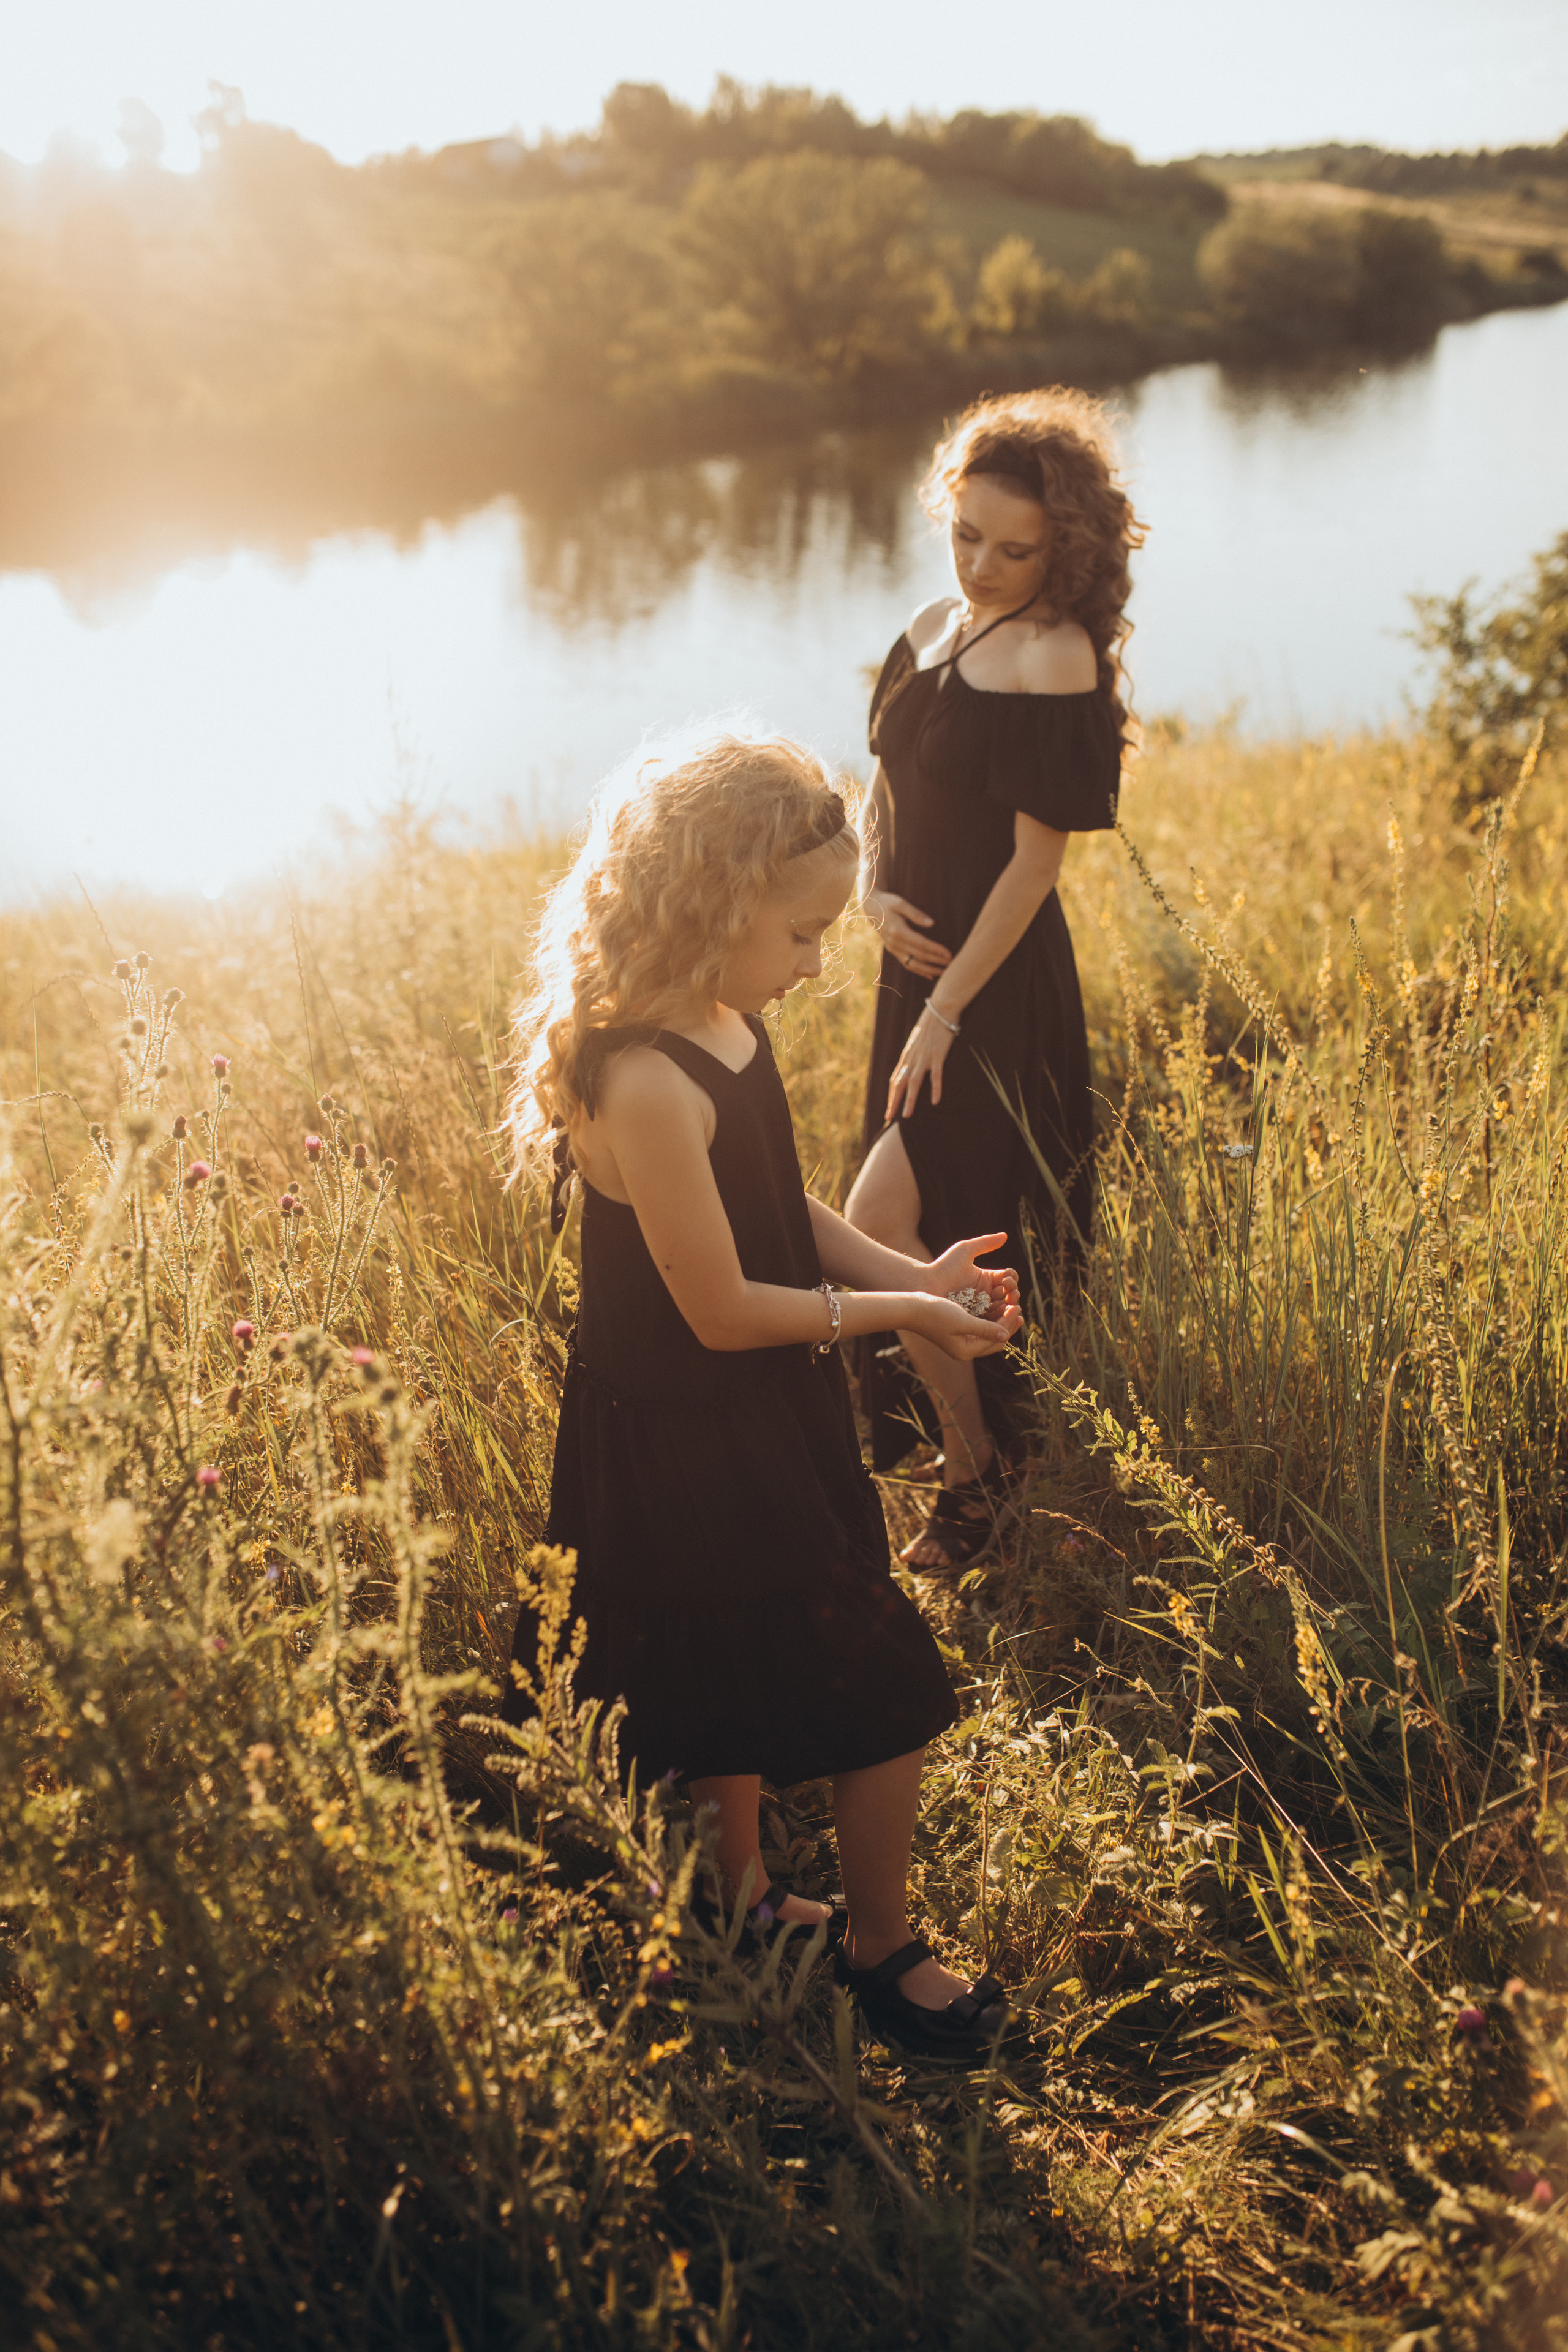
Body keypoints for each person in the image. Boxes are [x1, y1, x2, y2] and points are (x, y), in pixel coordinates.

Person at [499, 728, 1023, 2064]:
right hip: (682, 1434)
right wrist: (902, 1313)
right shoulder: (640, 1079)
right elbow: (721, 1306)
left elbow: (774, 1207)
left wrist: (910, 1270)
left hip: (757, 1412)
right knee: (876, 1684)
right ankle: (879, 1946)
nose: (814, 962)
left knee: (725, 1660)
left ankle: (735, 1899)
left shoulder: (724, 1023)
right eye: (799, 934)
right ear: (713, 906)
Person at [846, 388, 1144, 1570]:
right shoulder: (932, 623)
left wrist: (947, 1013)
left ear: (1063, 545)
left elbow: (1034, 868)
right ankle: (981, 1461)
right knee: (935, 1226)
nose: (982, 566)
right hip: (910, 975)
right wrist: (868, 893)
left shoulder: (1054, 653)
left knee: (883, 1218)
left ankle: (979, 1472)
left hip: (992, 986)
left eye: (1016, 549)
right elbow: (883, 784)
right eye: (966, 535)